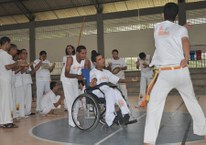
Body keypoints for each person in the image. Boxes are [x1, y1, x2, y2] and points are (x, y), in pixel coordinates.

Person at [143, 3, 206, 145]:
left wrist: (181, 28)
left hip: (165, 74)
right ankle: (204, 132)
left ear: (162, 14)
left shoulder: (157, 28)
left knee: (154, 105)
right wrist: (187, 58)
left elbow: (167, 33)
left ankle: (148, 141)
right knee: (192, 102)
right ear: (176, 16)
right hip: (181, 71)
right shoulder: (180, 30)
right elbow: (184, 41)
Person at [90, 50, 130, 127]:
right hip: (98, 90)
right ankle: (110, 117)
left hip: (107, 90)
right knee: (110, 91)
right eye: (99, 59)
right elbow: (93, 79)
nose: (102, 60)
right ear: (95, 63)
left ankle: (125, 113)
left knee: (116, 91)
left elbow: (118, 80)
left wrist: (131, 80)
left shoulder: (106, 72)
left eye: (102, 58)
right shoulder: (93, 72)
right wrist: (93, 81)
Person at [64, 45, 89, 127]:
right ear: (77, 53)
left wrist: (86, 84)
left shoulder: (85, 61)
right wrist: (77, 76)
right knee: (71, 101)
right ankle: (72, 121)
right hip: (66, 80)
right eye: (82, 53)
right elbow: (66, 74)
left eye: (85, 53)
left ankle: (74, 118)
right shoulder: (70, 59)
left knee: (77, 101)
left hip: (74, 80)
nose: (84, 55)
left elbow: (84, 75)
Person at [0, 36, 18, 128]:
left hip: (1, 79)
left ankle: (2, 120)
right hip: (5, 79)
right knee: (6, 101)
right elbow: (7, 67)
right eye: (9, 44)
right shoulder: (5, 55)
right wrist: (16, 63)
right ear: (6, 43)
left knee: (2, 101)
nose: (9, 46)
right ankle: (7, 122)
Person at [61, 44, 75, 111]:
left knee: (73, 92)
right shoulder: (65, 57)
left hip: (73, 76)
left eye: (70, 48)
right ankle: (67, 107)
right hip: (66, 76)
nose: (68, 49)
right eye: (67, 48)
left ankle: (74, 105)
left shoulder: (75, 57)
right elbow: (64, 67)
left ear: (72, 49)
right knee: (66, 92)